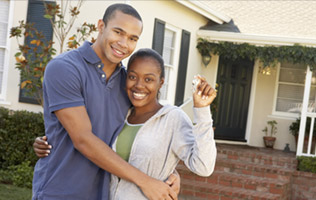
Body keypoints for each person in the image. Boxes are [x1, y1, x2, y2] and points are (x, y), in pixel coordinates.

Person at [32, 3, 179, 200]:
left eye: (132, 38)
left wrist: (170, 172)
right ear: (101, 26)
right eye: (118, 32)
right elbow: (83, 138)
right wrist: (145, 181)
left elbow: (142, 135)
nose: (123, 43)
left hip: (105, 194)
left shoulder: (128, 84)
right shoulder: (65, 68)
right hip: (59, 191)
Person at [34, 48, 217, 200]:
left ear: (161, 83)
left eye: (149, 79)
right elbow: (96, 142)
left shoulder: (172, 118)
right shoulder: (122, 113)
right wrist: (49, 142)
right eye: (132, 76)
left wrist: (202, 111)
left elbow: (203, 166)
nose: (139, 85)